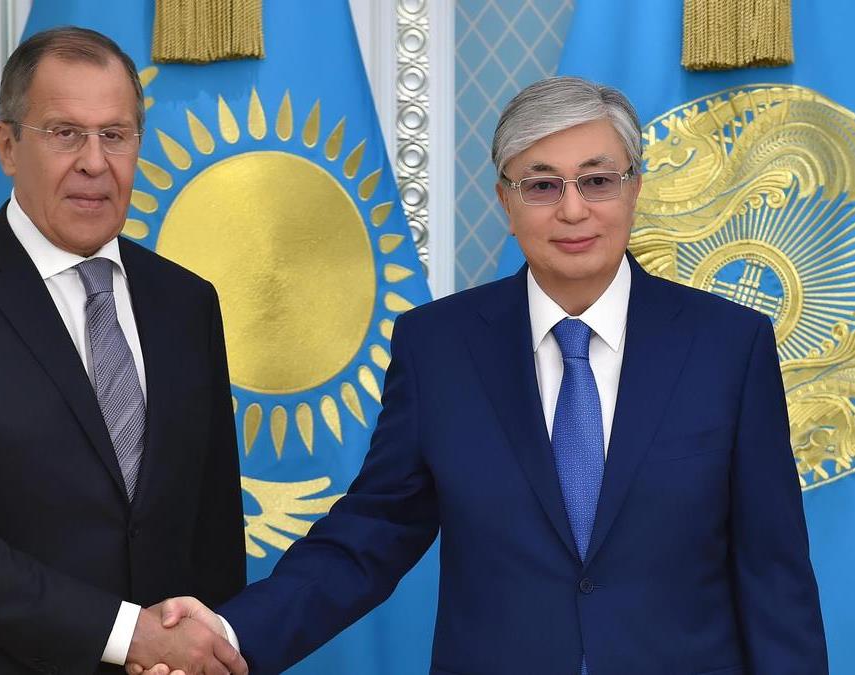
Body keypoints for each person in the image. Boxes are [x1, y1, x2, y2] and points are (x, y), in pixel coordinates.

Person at [139, 76, 828, 674]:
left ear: (634, 188)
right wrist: (232, 633)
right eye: (541, 185)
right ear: (504, 200)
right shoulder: (438, 347)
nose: (572, 209)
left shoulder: (727, 345)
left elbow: (773, 574)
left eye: (596, 180)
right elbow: (372, 532)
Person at [0, 26, 247, 675]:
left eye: (115, 135)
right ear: (8, 146)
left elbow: (212, 532)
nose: (95, 162)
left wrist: (203, 653)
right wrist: (129, 635)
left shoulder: (187, 303)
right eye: (65, 133)